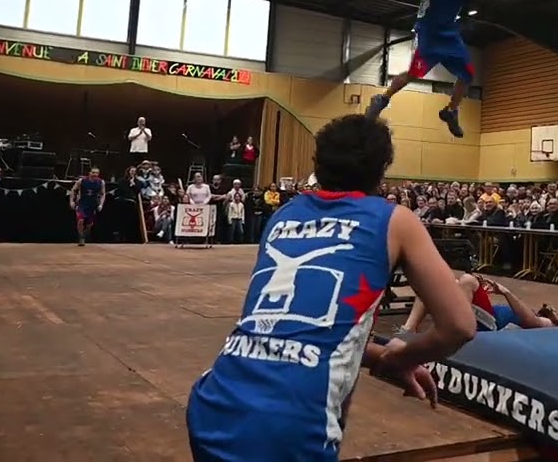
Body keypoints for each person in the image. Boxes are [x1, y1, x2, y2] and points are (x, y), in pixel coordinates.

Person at [186, 114, 476, 462]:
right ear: (382, 169)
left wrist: (377, 356)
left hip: (215, 401)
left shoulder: (284, 215)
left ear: (318, 164)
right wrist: (400, 358)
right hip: (292, 422)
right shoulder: (394, 219)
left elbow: (292, 330)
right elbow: (459, 325)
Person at [365, 0, 502, 138]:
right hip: (429, 29)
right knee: (415, 73)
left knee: (467, 74)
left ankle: (451, 111)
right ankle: (382, 98)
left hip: (449, 32)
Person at [399, 272, 558, 333]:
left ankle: (456, 327)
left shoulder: (548, 326)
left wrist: (506, 292)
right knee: (432, 283)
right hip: (483, 315)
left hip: (489, 323)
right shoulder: (533, 312)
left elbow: (532, 322)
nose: (557, 312)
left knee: (468, 280)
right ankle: (408, 330)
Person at [69, 166, 105, 247]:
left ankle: (84, 235)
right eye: (93, 172)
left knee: (89, 225)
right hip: (82, 203)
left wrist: (101, 204)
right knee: (80, 221)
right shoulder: (82, 181)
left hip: (93, 205)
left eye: (97, 173)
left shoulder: (101, 182)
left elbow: (103, 194)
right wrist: (71, 201)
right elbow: (73, 190)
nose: (95, 174)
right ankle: (81, 238)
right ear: (89, 173)